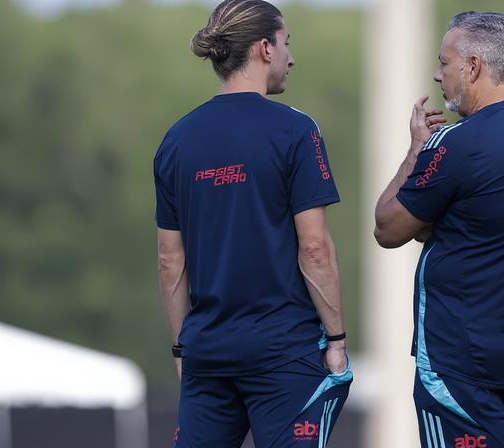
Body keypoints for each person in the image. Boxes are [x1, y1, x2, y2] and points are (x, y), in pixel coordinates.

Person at [154, 1, 351, 446]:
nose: (291, 57)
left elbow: (170, 261)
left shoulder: (176, 139)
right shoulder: (296, 131)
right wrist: (336, 339)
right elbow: (314, 248)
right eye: (286, 44)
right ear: (264, 48)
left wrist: (183, 349)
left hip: (207, 354)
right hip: (284, 354)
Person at [374, 11, 504, 448]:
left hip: (461, 363)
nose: (437, 74)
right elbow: (479, 226)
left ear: (473, 66)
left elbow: (388, 227)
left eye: (444, 63)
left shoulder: (459, 143)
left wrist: (414, 153)